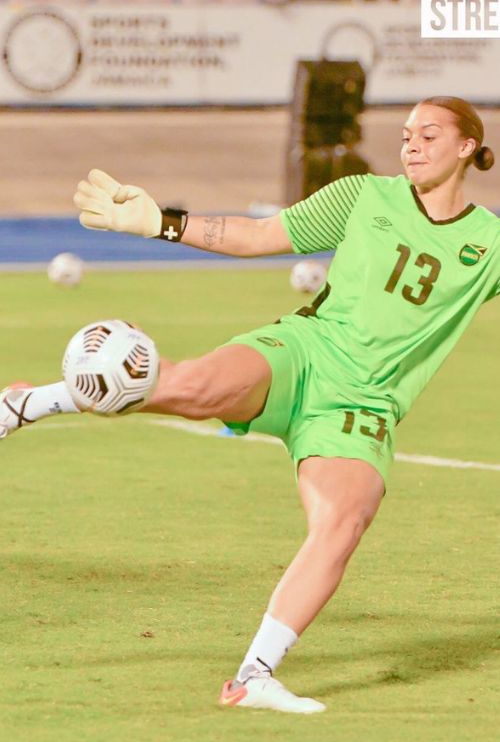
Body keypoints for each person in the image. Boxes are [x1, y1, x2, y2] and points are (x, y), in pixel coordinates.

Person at [1, 96, 498, 714]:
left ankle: (253, 677)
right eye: (404, 135)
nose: (411, 145)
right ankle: (31, 403)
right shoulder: (365, 195)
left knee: (344, 522)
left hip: (364, 404)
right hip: (304, 351)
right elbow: (264, 233)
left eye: (428, 134)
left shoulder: (490, 243)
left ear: (467, 148)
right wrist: (164, 222)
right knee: (192, 387)